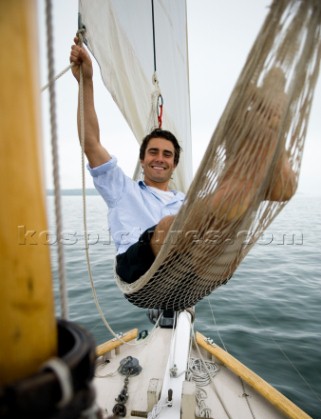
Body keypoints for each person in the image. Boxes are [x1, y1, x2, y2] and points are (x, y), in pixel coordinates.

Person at [70, 38, 297, 285]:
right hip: (140, 268)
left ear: (174, 164)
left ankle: (270, 149)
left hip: (189, 271)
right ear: (142, 160)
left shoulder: (186, 201)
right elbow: (90, 142)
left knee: (214, 229)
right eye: (153, 152)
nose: (160, 158)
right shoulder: (122, 189)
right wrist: (86, 81)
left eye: (167, 155)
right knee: (176, 225)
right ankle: (241, 177)